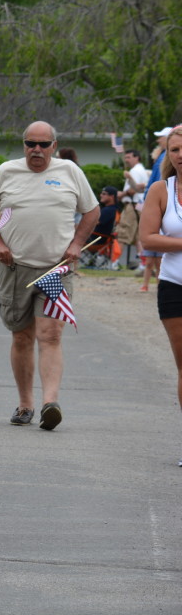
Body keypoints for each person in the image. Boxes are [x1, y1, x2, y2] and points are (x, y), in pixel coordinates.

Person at [0, 121, 99, 431]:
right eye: (31, 143)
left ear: (54, 146)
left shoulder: (70, 172)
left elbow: (92, 211)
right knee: (21, 335)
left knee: (51, 334)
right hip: (16, 267)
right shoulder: (5, 172)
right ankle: (25, 403)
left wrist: (76, 245)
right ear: (24, 145)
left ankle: (50, 403)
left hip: (56, 269)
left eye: (44, 144)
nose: (37, 150)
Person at [137, 125, 182, 465]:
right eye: (175, 150)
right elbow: (148, 238)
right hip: (174, 286)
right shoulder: (160, 190)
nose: (181, 156)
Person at [141, 127, 174, 289]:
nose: (158, 140)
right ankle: (153, 283)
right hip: (156, 205)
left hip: (163, 207)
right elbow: (147, 240)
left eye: (161, 137)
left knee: (159, 256)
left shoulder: (163, 157)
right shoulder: (162, 157)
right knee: (153, 256)